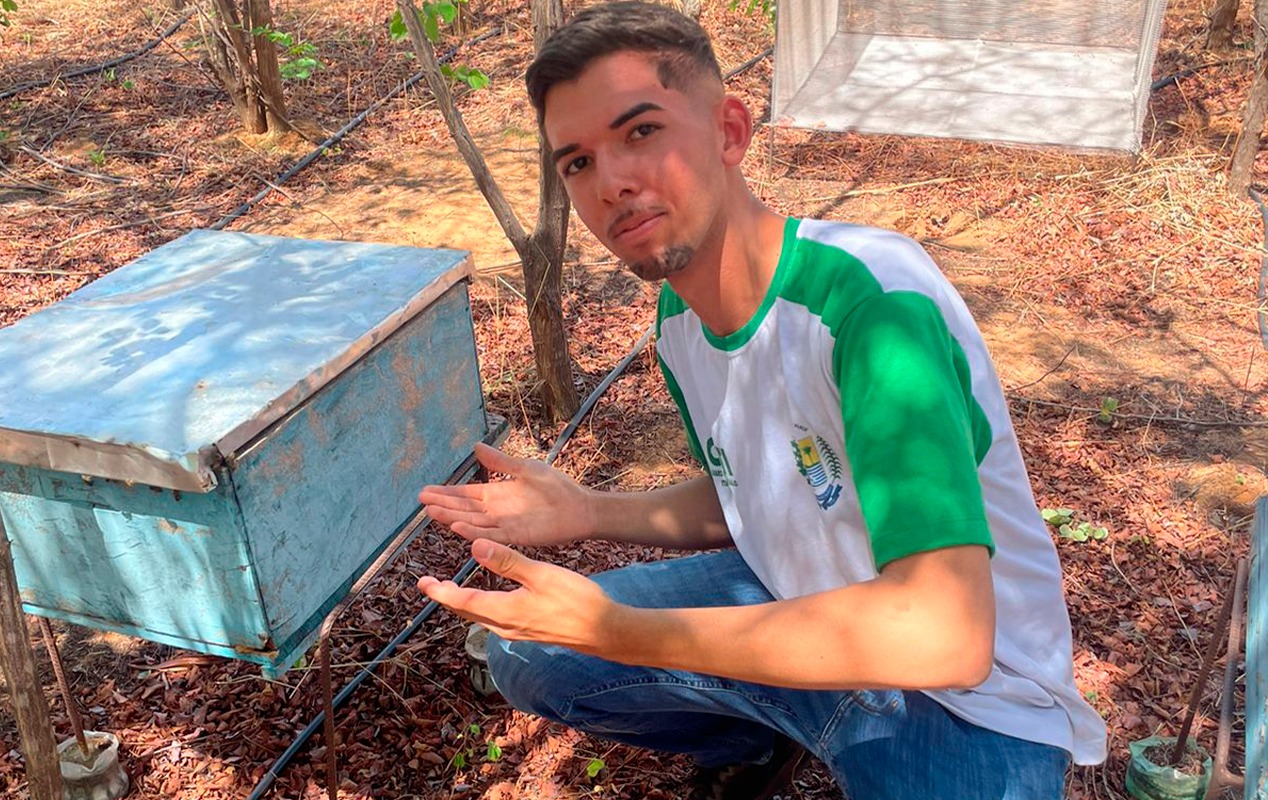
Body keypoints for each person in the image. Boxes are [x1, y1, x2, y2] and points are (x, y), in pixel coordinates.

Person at [416, 3, 1108, 798]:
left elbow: (945, 636)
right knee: (529, 654)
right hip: (797, 606)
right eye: (577, 161)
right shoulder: (680, 319)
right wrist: (589, 509)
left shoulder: (871, 305)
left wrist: (625, 634)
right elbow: (748, 493)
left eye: (641, 131)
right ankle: (758, 742)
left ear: (730, 131)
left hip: (969, 701)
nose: (611, 183)